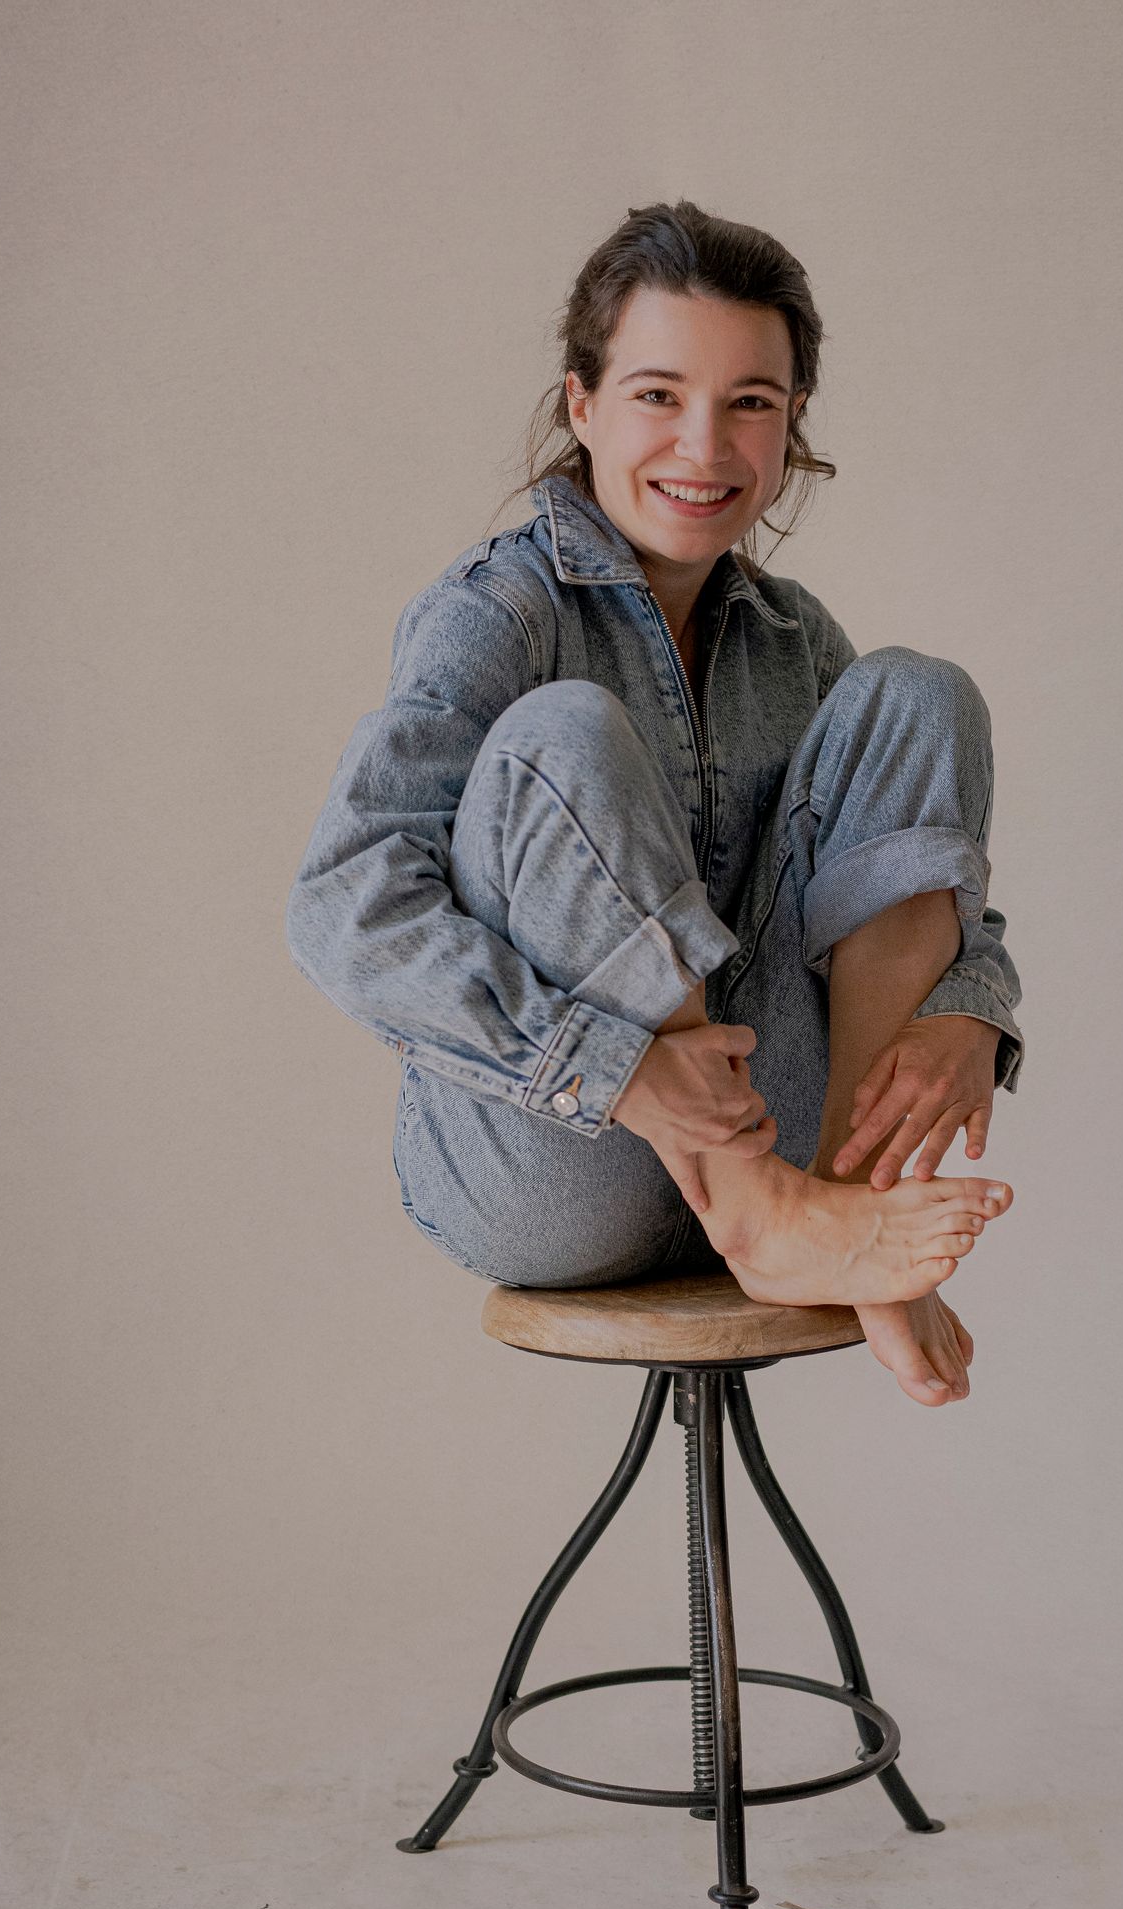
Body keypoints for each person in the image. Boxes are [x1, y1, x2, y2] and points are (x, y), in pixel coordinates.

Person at [285, 200, 1025, 1410]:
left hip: (779, 1123)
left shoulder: (795, 638)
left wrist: (969, 1015)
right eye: (658, 395)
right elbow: (342, 904)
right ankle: (774, 1214)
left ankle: (837, 1211)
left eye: (751, 403)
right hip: (558, 1160)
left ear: (792, 425)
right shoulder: (498, 611)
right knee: (565, 732)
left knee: (920, 695)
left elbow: (911, 876)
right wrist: (616, 1069)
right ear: (582, 405)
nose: (705, 444)